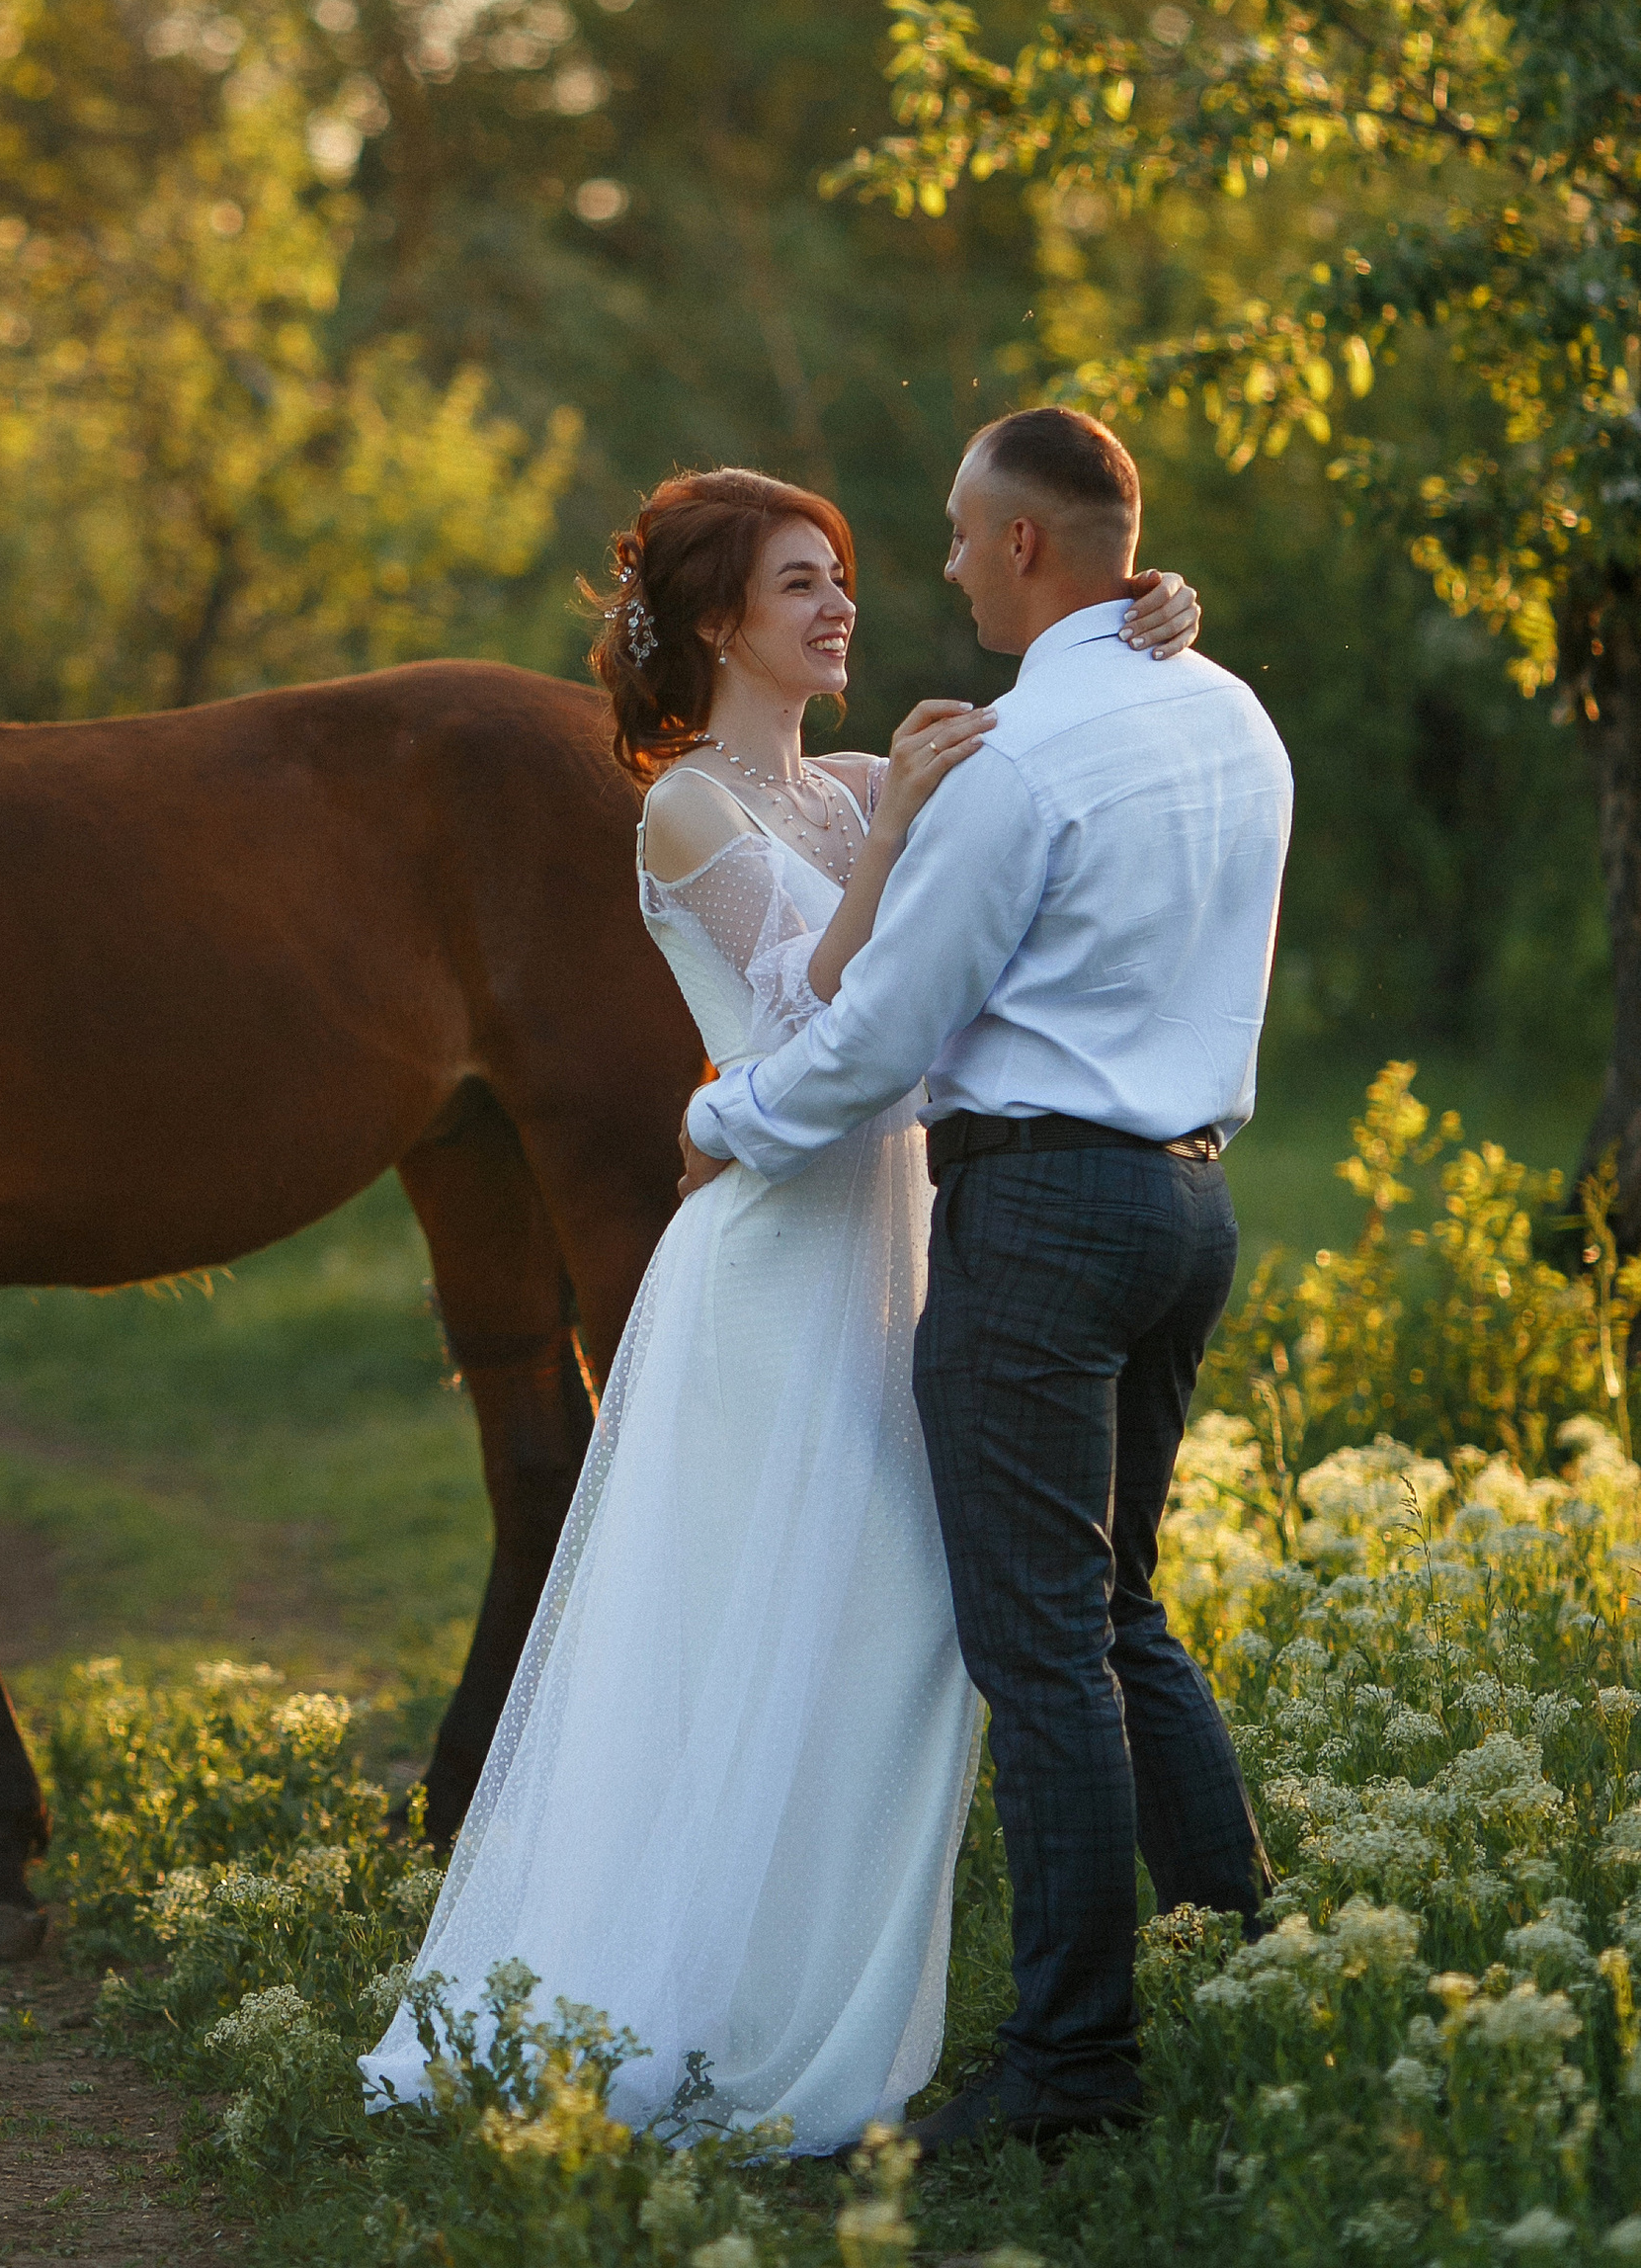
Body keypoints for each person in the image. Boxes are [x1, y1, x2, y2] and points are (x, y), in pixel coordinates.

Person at [358, 462, 1206, 2150]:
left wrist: (1154, 619)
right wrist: (892, 836)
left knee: (880, 1629)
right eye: (803, 584)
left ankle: (822, 1988)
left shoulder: (859, 778)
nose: (843, 608)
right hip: (765, 1253)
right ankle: (678, 2003)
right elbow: (802, 1004)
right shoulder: (686, 806)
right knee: (737, 1631)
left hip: (895, 1233)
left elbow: (1040, 795)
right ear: (713, 623)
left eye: (845, 577)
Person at [681, 407, 1291, 2149]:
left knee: (1043, 1653)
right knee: (1118, 1611)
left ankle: (1073, 2067)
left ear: (1027, 546)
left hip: (1040, 1222)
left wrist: (728, 1121)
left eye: (956, 533)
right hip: (1190, 1208)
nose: (939, 566)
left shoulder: (1025, 763)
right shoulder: (1233, 718)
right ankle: (1247, 1966)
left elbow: (880, 1033)